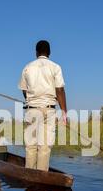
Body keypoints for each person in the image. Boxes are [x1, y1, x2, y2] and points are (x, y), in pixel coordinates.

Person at [19, 40, 68, 171]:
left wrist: (32, 101)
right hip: (49, 110)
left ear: (36, 53)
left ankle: (29, 177)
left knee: (31, 146)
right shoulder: (55, 67)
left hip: (32, 111)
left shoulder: (27, 67)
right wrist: (64, 112)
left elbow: (24, 90)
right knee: (44, 147)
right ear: (49, 53)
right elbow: (60, 90)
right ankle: (41, 179)